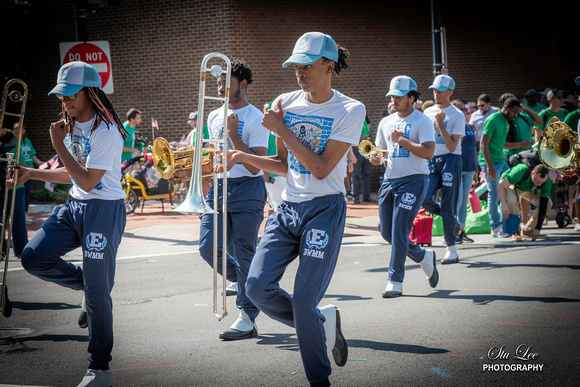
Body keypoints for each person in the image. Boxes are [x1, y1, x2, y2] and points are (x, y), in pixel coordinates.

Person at [223, 32, 365, 386]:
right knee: (255, 287)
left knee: (303, 299)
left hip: (325, 210)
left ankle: (320, 380)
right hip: (287, 209)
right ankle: (321, 324)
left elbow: (320, 168)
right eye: (295, 66)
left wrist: (282, 129)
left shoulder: (350, 109)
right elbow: (286, 166)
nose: (299, 72)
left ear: (328, 66)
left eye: (306, 65)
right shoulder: (285, 100)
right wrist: (242, 156)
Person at [14, 61, 127, 387]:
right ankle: (87, 286)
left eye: (70, 96)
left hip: (103, 210)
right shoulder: (69, 125)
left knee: (97, 293)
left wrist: (59, 144)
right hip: (75, 206)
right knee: (32, 257)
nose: (65, 103)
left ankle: (100, 369)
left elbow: (90, 180)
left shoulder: (106, 130)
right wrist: (31, 173)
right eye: (61, 98)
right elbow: (72, 174)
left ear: (90, 93)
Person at [192, 57, 270, 341]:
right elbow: (213, 158)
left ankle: (247, 317)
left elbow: (255, 165)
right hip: (219, 187)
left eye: (228, 83)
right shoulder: (213, 116)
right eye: (218, 83)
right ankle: (243, 280)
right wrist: (189, 173)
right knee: (206, 247)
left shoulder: (256, 118)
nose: (221, 87)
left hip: (248, 189)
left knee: (244, 250)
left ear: (244, 84)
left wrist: (234, 134)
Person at [370, 75, 437, 297]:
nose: (393, 100)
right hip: (389, 180)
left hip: (414, 179)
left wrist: (403, 141)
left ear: (411, 97)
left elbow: (428, 152)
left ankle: (394, 280)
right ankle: (422, 256)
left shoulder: (422, 120)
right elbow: (379, 151)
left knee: (400, 231)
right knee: (387, 233)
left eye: (398, 96)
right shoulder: (385, 122)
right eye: (391, 96)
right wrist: (375, 158)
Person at [422, 75, 464, 263]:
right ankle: (452, 220)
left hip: (451, 160)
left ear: (450, 92)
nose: (436, 93)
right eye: (434, 90)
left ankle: (451, 248)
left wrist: (440, 123)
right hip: (432, 160)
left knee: (448, 204)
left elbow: (453, 146)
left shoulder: (457, 115)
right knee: (423, 197)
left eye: (440, 90)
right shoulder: (428, 111)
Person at [479, 96, 530, 238]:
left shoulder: (506, 121)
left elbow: (500, 144)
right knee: (494, 194)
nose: (515, 116)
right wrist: (489, 166)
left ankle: (506, 226)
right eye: (514, 112)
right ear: (506, 108)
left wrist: (521, 144)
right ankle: (495, 228)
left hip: (501, 161)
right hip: (490, 162)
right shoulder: (493, 120)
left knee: (507, 194)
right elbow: (483, 143)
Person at [498, 163, 553, 241]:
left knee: (548, 203)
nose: (539, 184)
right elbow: (501, 186)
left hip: (526, 188)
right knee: (512, 200)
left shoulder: (546, 181)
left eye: (541, 183)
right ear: (532, 173)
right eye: (537, 181)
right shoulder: (520, 170)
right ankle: (515, 231)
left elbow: (543, 205)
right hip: (510, 184)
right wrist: (504, 205)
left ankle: (528, 230)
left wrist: (538, 228)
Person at [0, 128, 29, 261]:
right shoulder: (15, 151)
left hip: (1, 189)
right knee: (17, 221)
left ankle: (2, 250)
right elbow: (23, 168)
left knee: (1, 221)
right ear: (12, 140)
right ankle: (21, 250)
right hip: (16, 189)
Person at [451, 100, 476, 243]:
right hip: (457, 167)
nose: (464, 112)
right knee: (457, 200)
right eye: (460, 109)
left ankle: (461, 231)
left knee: (463, 201)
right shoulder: (453, 126)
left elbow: (473, 147)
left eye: (465, 110)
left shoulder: (468, 126)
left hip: (470, 167)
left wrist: (476, 168)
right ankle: (450, 231)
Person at [12, 122, 43, 224]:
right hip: (20, 172)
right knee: (19, 194)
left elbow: (32, 155)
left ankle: (25, 215)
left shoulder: (27, 141)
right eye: (15, 129)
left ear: (24, 130)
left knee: (26, 194)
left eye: (20, 128)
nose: (17, 130)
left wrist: (39, 162)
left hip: (30, 171)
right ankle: (17, 216)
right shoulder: (13, 142)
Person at [351, 115, 375, 203]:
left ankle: (366, 196)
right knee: (356, 174)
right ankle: (356, 197)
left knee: (366, 173)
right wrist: (361, 138)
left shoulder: (364, 120)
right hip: (356, 148)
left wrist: (367, 138)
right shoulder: (353, 120)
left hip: (364, 149)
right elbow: (350, 135)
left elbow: (366, 133)